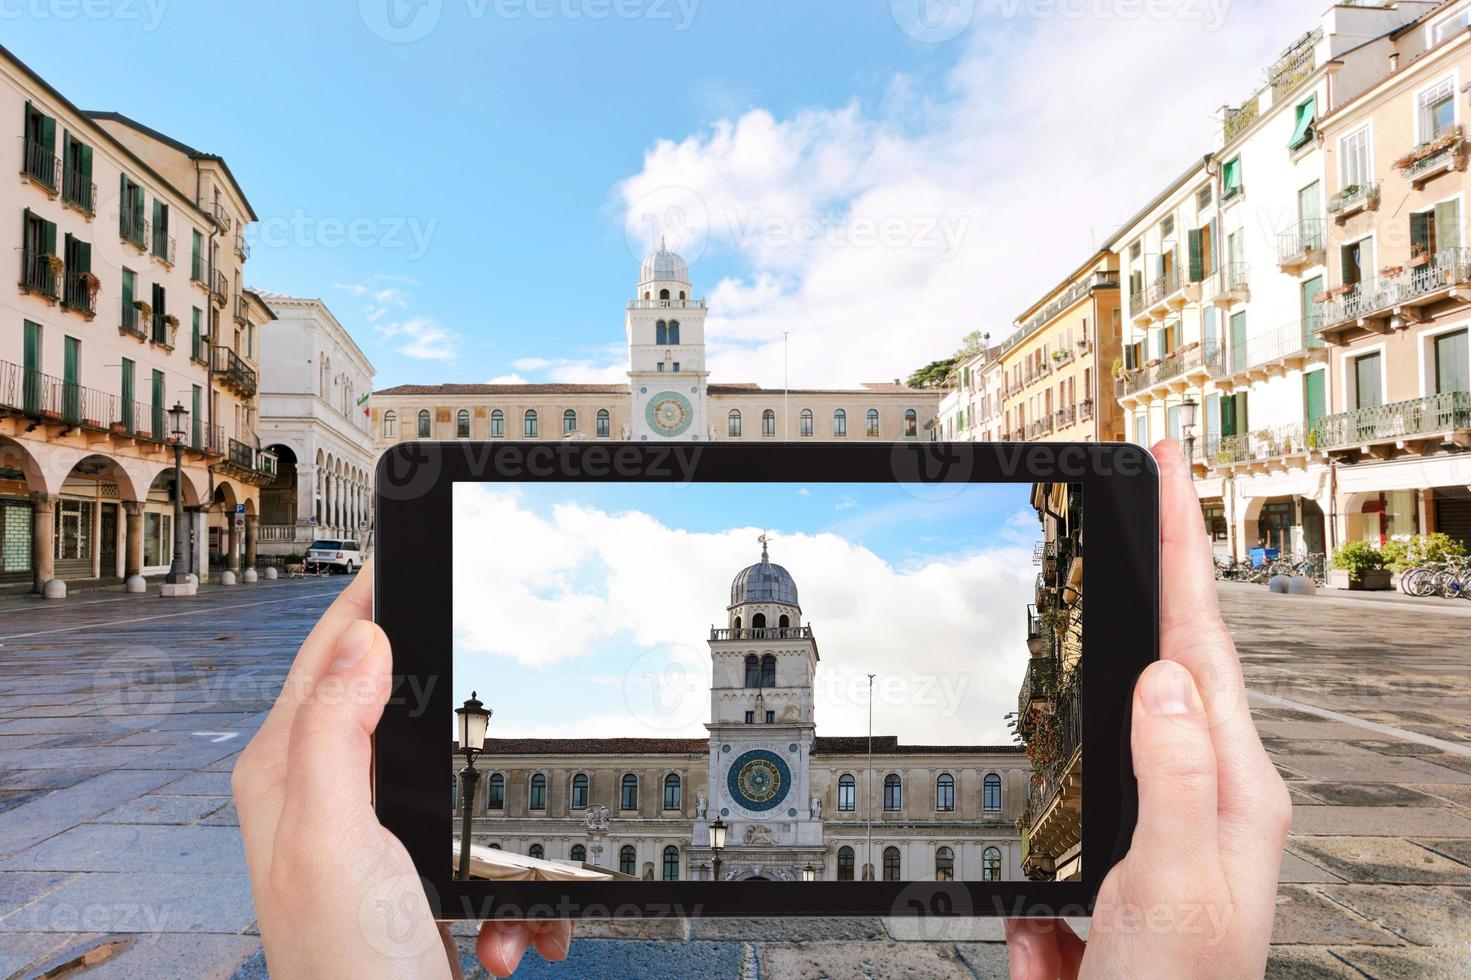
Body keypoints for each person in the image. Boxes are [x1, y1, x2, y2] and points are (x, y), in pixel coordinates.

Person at [234, 440, 1288, 978]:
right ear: (742, 639)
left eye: (769, 640)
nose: (760, 652)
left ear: (786, 649)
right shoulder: (710, 728)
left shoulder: (823, 743)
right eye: (754, 637)